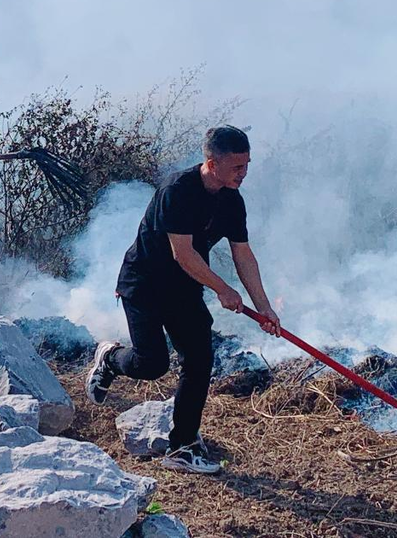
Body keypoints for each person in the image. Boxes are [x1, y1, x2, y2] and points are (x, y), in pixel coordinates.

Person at [86, 125, 281, 474]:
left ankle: (182, 446)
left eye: (247, 164)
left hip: (185, 288)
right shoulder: (178, 190)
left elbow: (244, 256)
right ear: (212, 162)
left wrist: (263, 306)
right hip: (144, 283)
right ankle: (111, 358)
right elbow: (184, 253)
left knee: (199, 359)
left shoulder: (232, 201)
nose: (244, 173)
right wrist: (222, 288)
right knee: (153, 364)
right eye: (237, 166)